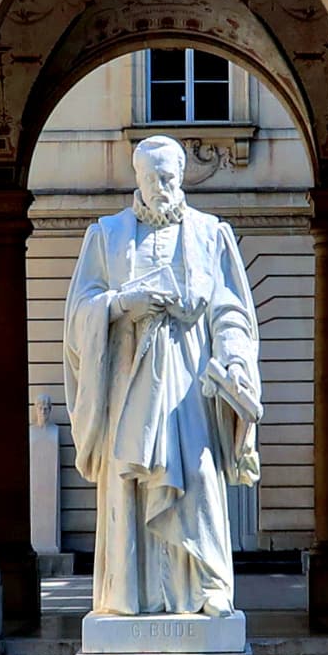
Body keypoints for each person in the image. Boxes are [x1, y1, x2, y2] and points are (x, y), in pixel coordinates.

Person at [62, 135, 262, 617]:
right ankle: (131, 595)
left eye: (169, 178)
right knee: (131, 488)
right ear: (138, 179)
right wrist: (119, 306)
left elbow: (230, 311)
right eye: (152, 179)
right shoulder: (107, 235)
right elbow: (77, 316)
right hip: (129, 387)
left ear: (182, 176)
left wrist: (235, 359)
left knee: (197, 477)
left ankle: (207, 588)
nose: (162, 187)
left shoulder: (210, 234)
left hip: (189, 384)